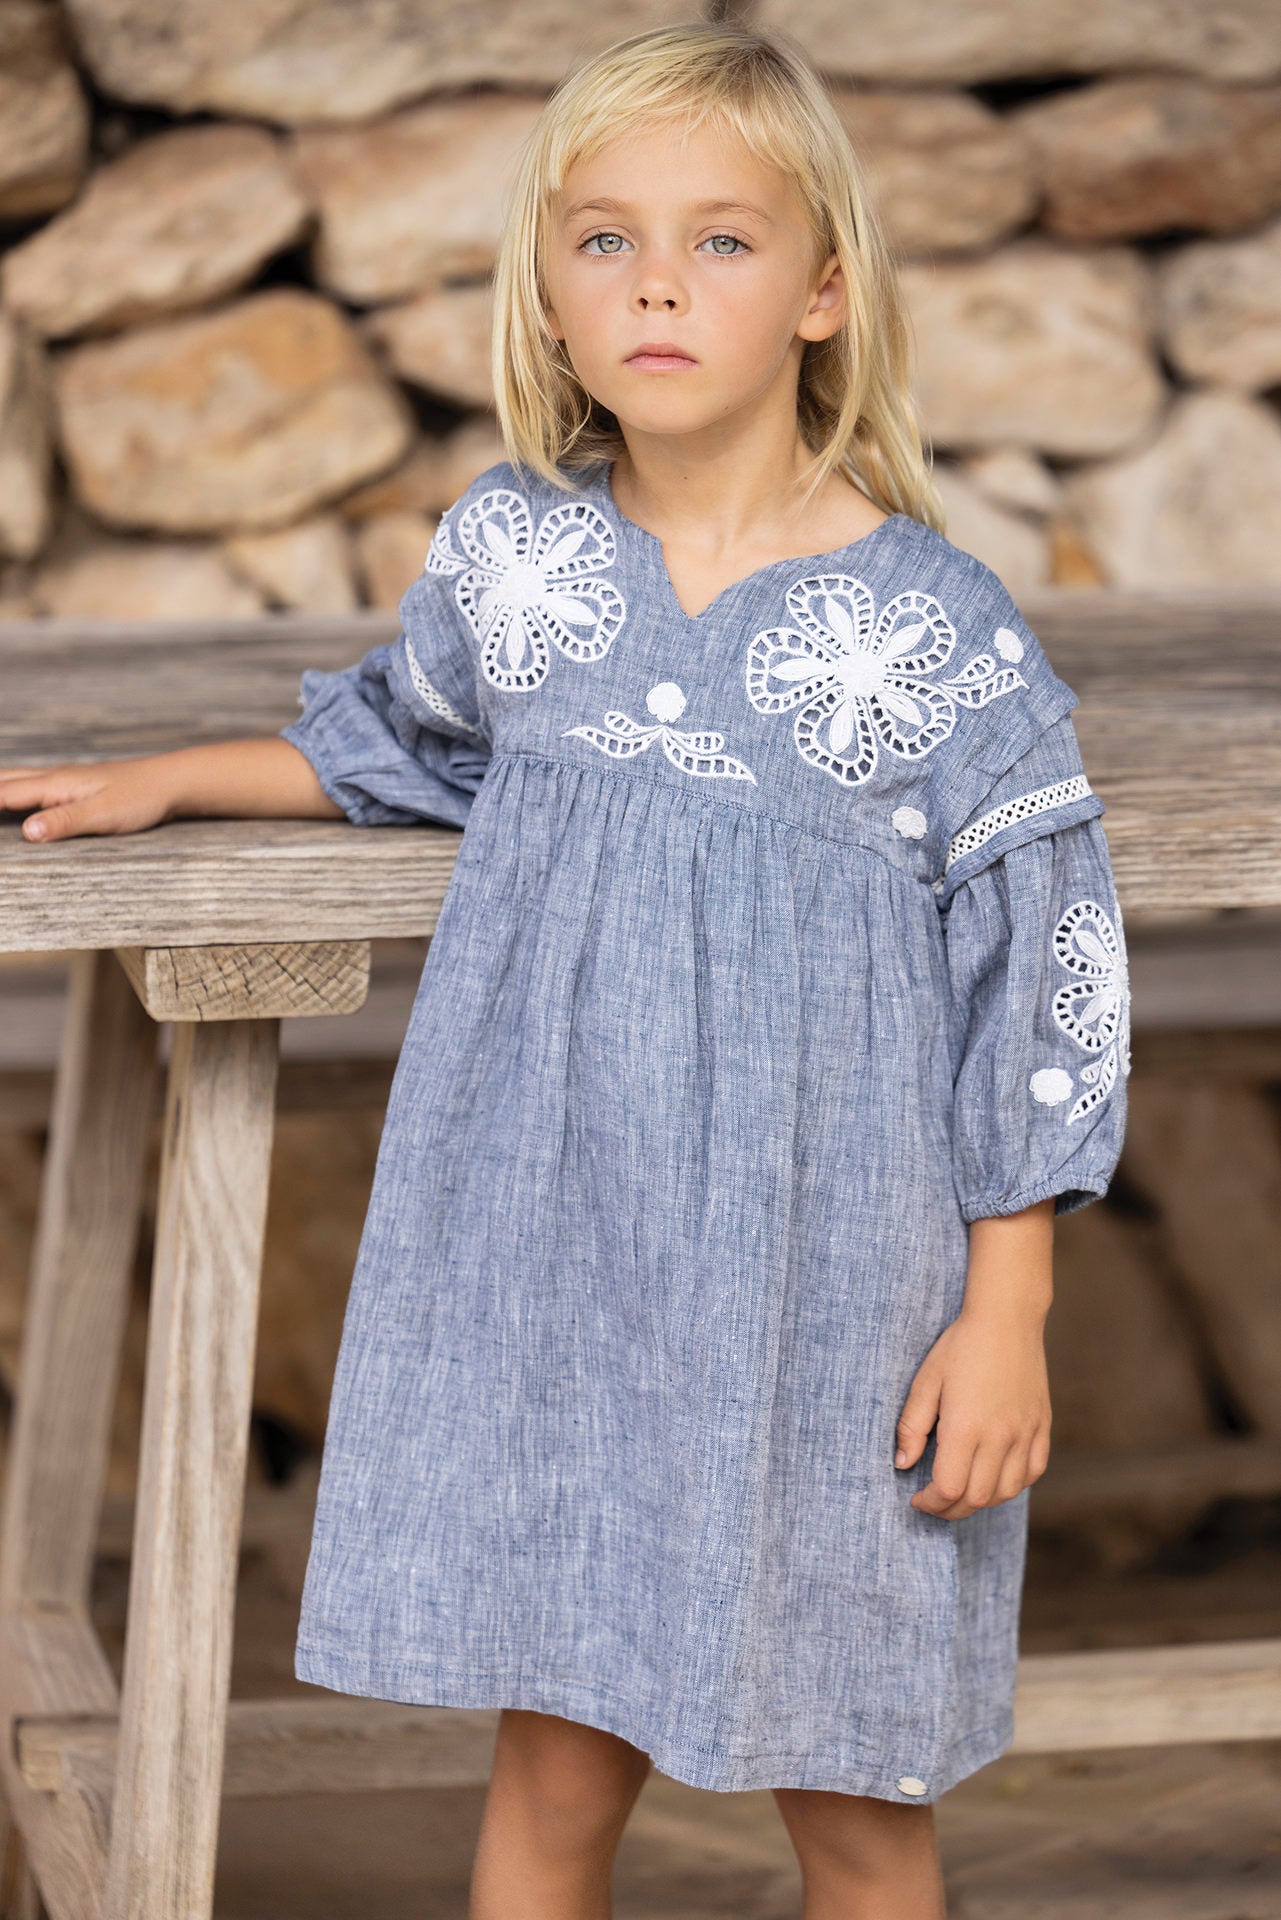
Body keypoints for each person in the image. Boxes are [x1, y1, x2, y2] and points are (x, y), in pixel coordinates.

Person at [0, 20, 1131, 1919]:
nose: (657, 283)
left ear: (823, 291)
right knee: (547, 1775)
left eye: (720, 240)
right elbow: (407, 739)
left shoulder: (927, 629)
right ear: (547, 288)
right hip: (566, 1289)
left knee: (855, 1799)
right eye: (605, 239)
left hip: (827, 1310)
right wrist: (174, 777)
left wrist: (1005, 1306)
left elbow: (1045, 966)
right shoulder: (521, 563)